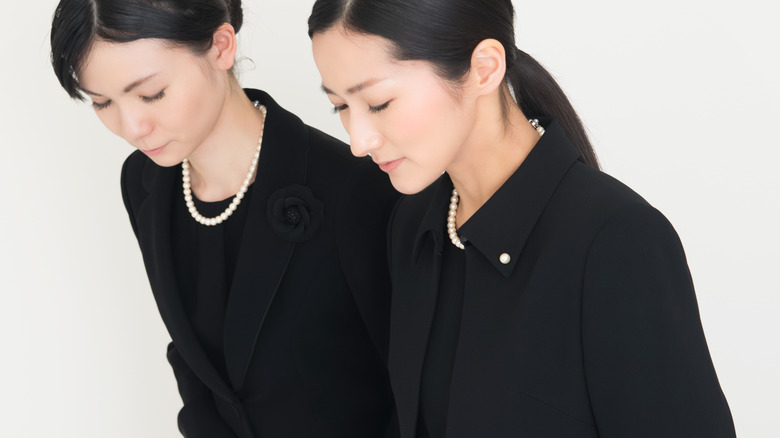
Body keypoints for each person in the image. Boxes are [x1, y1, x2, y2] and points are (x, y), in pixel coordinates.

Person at [308, 1, 737, 437]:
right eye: (339, 106)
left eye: (378, 104)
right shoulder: (414, 224)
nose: (358, 141)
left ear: (484, 68)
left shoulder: (616, 242)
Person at [50, 1, 398, 437]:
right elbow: (194, 359)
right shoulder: (143, 181)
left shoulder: (354, 188)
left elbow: (411, 385)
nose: (132, 127)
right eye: (102, 103)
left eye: (152, 94)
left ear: (220, 46)